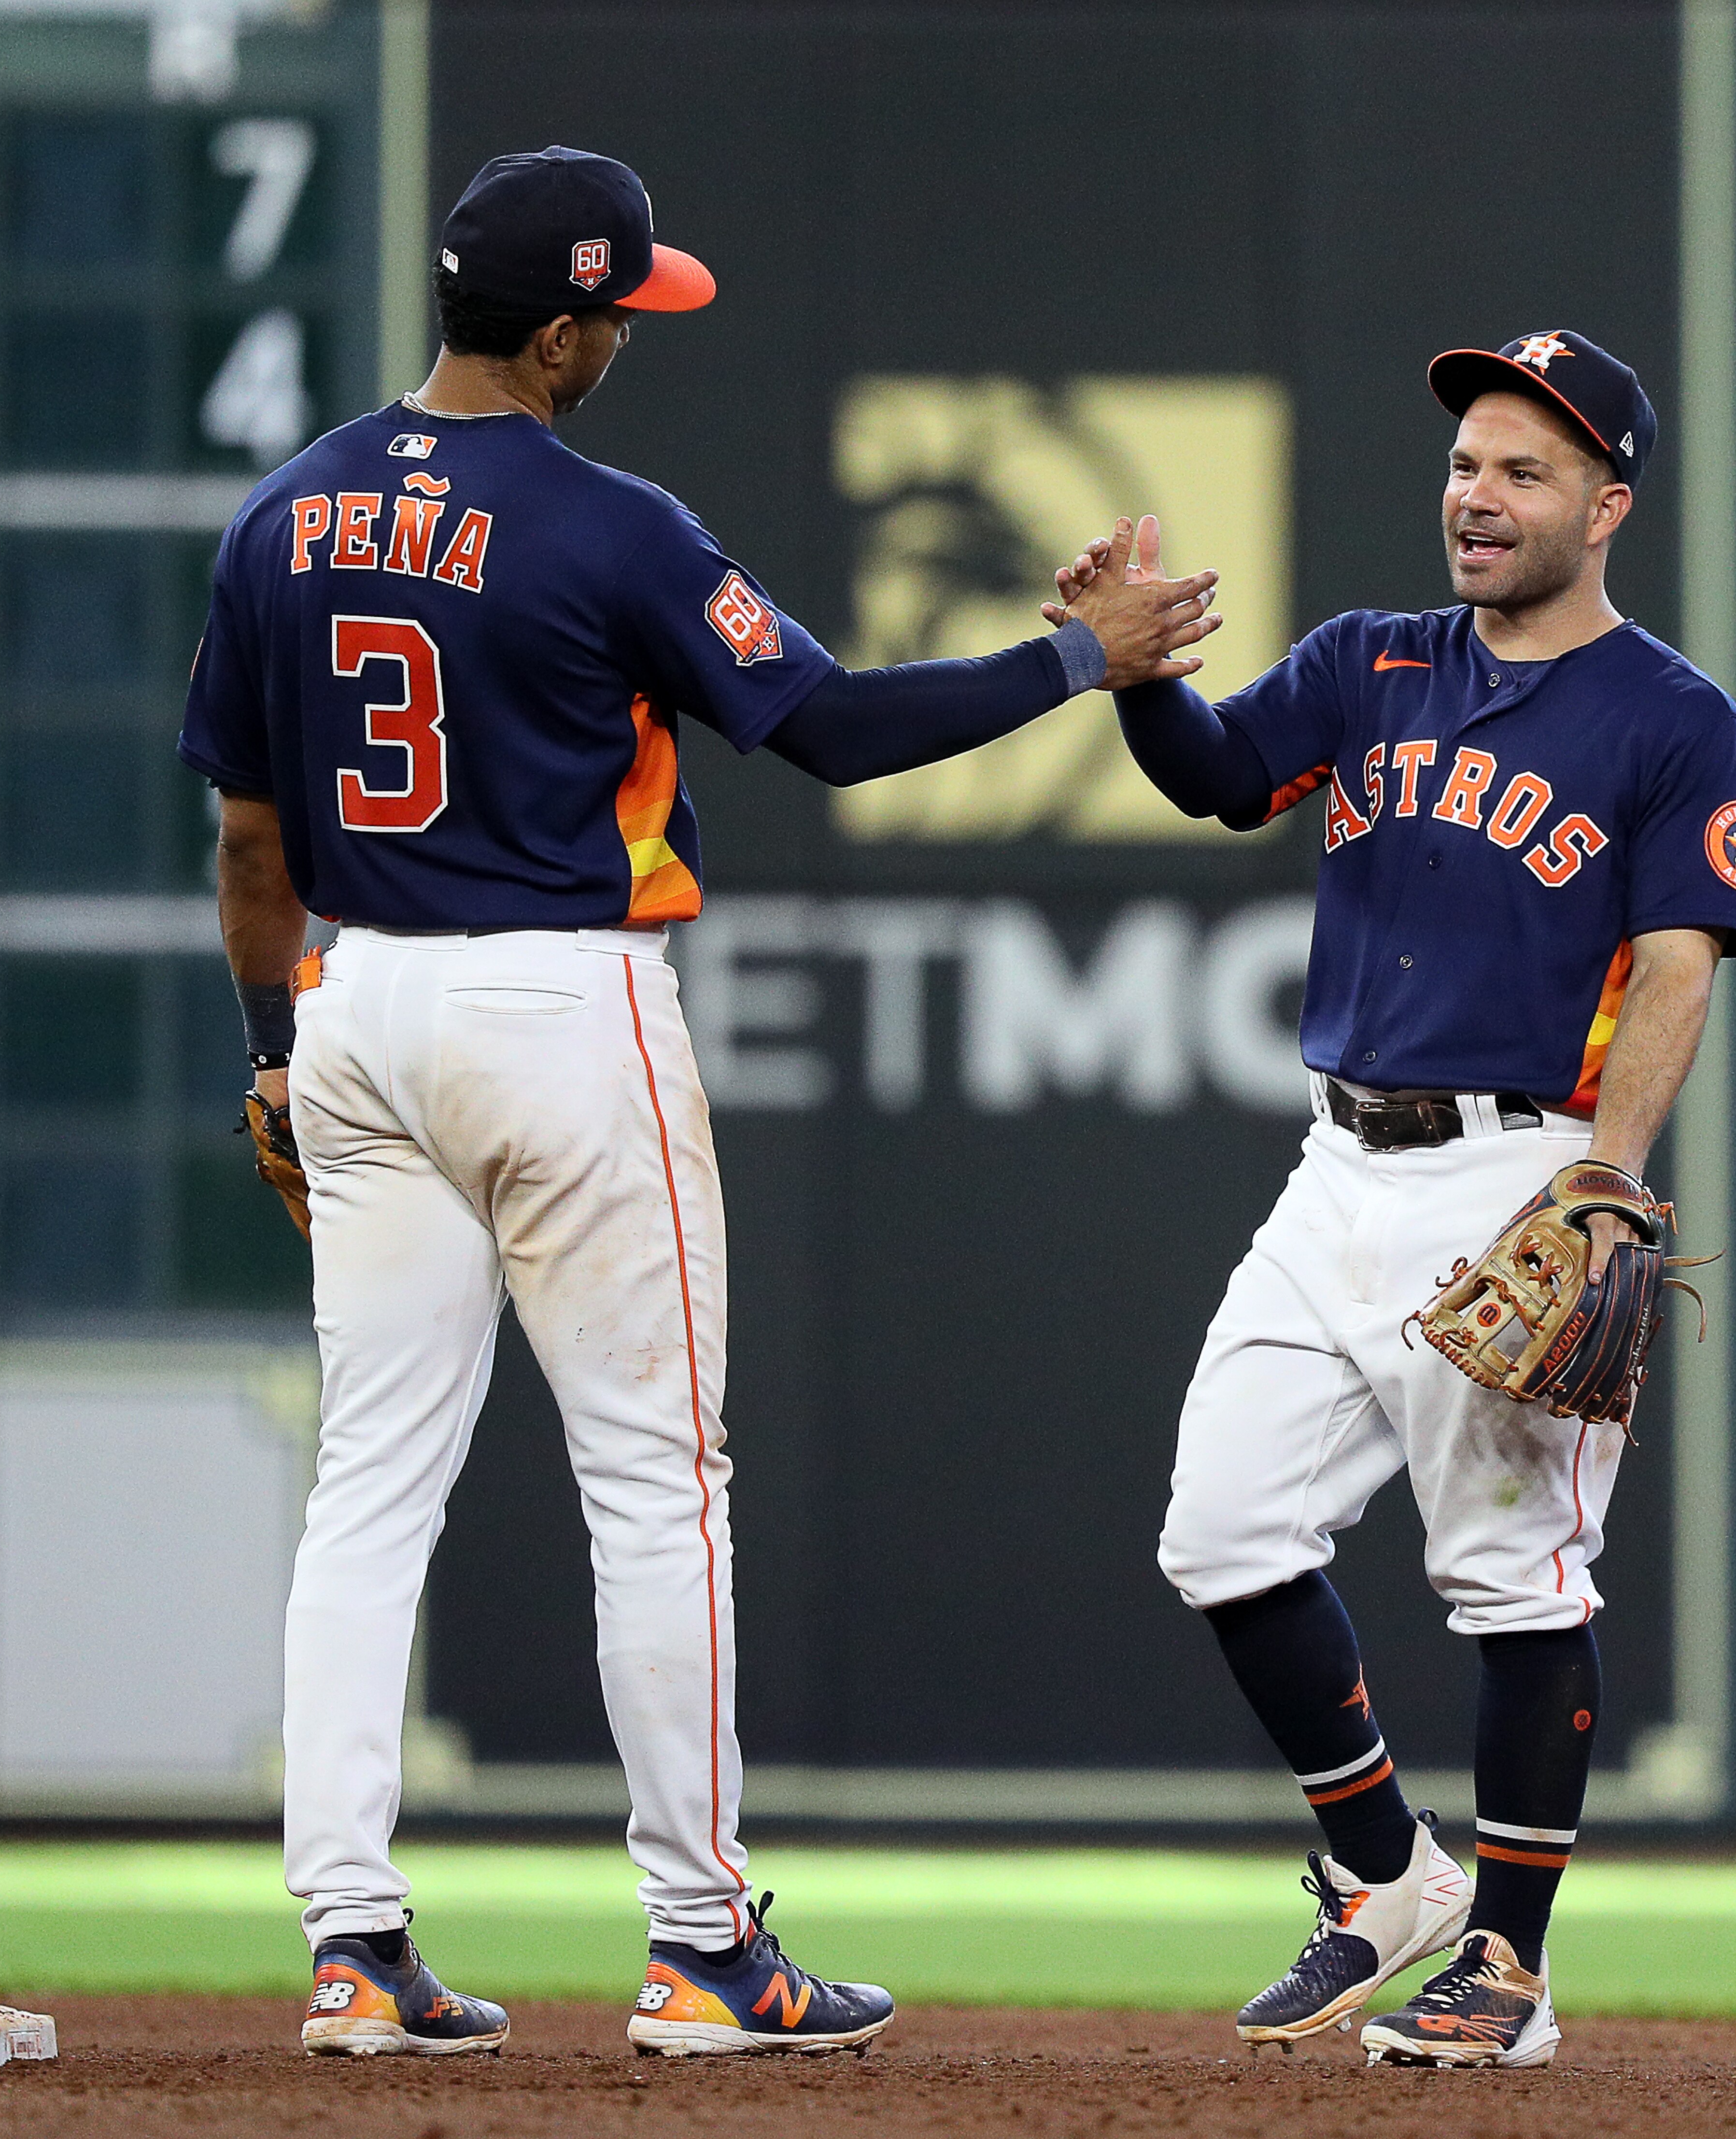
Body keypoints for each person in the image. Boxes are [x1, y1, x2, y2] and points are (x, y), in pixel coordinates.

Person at [178, 144, 1217, 2060]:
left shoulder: (284, 515)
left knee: (372, 1485)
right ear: (556, 327)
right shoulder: (606, 525)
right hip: (556, 1001)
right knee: (659, 1480)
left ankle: (351, 1944)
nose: (624, 347)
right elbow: (825, 726)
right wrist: (1080, 660)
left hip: (354, 1005)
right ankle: (705, 1946)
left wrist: (268, 1041)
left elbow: (251, 837)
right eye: (615, 318)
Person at [1045, 332, 1736, 2068]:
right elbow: (1220, 780)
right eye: (1466, 463)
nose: (1477, 494)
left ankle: (1505, 1967)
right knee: (1219, 1531)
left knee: (1515, 1581)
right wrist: (1135, 676)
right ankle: (1385, 1879)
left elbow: (1676, 967)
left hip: (1523, 1169)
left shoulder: (1675, 720)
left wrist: (1609, 1174)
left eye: (1523, 470)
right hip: (1335, 1164)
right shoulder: (1370, 661)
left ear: (1607, 506)